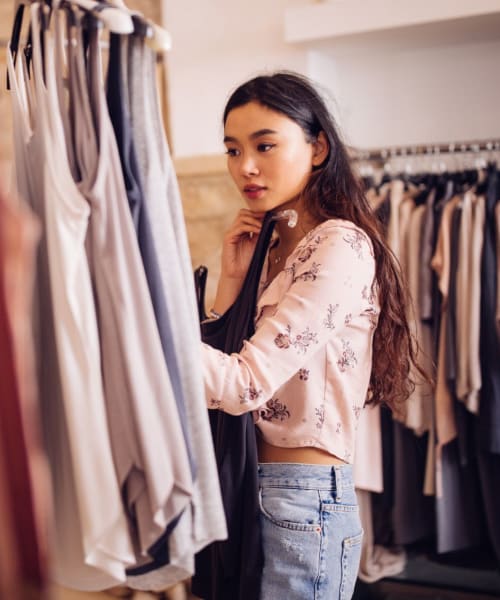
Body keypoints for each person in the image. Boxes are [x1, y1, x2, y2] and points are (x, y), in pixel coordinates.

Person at [200, 71, 422, 600]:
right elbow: (225, 374)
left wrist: (145, 331)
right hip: (251, 488)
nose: (244, 166)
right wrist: (233, 278)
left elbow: (244, 384)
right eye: (232, 149)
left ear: (318, 147)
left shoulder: (339, 245)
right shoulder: (274, 246)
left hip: (302, 500)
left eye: (265, 145)